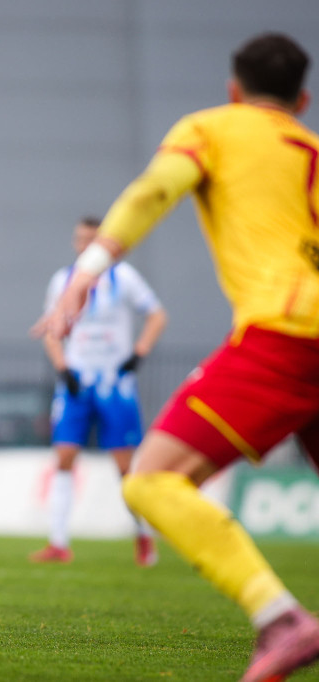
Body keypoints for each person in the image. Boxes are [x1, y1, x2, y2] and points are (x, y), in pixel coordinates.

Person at [35, 33, 319, 682]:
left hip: (288, 333)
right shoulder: (313, 150)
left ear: (232, 89)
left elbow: (153, 191)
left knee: (152, 479)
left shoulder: (213, 127)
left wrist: (90, 268)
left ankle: (281, 620)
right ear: (303, 99)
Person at [30, 216, 167, 566]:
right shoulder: (63, 280)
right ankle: (59, 542)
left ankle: (144, 536)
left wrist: (138, 355)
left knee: (124, 466)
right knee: (63, 458)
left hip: (114, 384)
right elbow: (52, 328)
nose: (84, 246)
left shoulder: (124, 278)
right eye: (80, 240)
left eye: (92, 240)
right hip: (76, 380)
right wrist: (62, 367)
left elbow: (156, 315)